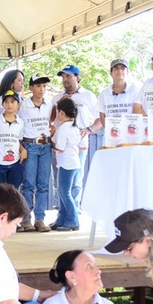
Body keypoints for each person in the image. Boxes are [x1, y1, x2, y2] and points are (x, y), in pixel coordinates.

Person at [51, 65, 100, 210]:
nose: (65, 79)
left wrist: (90, 129)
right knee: (59, 182)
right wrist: (60, 103)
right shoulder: (56, 98)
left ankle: (74, 211)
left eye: (69, 76)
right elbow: (50, 119)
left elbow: (100, 118)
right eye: (63, 77)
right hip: (60, 147)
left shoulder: (88, 96)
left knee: (76, 181)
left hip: (79, 146)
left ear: (77, 78)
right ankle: (62, 212)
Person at [18, 73, 54, 233]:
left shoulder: (50, 104)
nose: (41, 89)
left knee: (43, 184)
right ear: (31, 87)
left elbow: (54, 122)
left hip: (45, 145)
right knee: (29, 184)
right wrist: (21, 147)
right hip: (30, 145)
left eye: (44, 86)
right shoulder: (23, 105)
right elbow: (17, 125)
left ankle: (40, 219)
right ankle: (26, 219)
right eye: (38, 85)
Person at [0, 90, 25, 189]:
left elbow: (17, 140)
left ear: (18, 105)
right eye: (6, 102)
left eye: (12, 102)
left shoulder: (20, 122)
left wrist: (23, 150)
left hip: (15, 162)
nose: (9, 105)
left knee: (14, 191)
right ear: (2, 104)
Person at [51, 97, 80, 232]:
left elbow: (60, 148)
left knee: (64, 193)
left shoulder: (63, 128)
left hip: (66, 164)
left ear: (62, 113)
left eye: (57, 112)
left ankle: (73, 220)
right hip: (73, 162)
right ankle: (61, 220)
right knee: (63, 193)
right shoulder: (74, 126)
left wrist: (50, 143)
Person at [97, 59, 138, 132]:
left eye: (123, 68)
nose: (119, 71)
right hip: (112, 133)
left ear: (127, 72)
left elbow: (139, 113)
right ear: (111, 73)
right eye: (116, 68)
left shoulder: (135, 90)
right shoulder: (104, 94)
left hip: (131, 133)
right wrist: (109, 131)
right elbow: (102, 116)